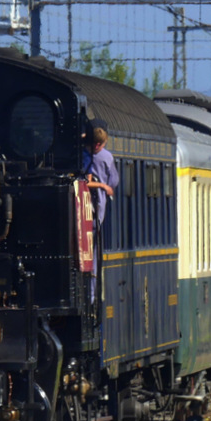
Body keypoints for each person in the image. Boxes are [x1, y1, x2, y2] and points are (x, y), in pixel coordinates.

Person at [84, 122, 119, 304]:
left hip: (90, 206)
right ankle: (91, 294)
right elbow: (114, 180)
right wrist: (105, 186)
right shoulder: (105, 157)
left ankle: (91, 293)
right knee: (94, 245)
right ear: (99, 144)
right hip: (96, 206)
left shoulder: (85, 154)